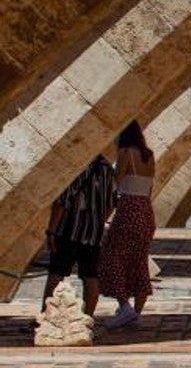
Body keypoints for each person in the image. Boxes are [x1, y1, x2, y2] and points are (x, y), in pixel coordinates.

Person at [98, 121, 158, 330]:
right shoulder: (148, 155)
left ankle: (124, 307)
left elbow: (116, 182)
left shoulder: (126, 152)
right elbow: (149, 187)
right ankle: (136, 313)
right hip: (146, 210)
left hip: (129, 208)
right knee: (139, 261)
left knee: (111, 256)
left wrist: (105, 210)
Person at [42, 154, 117, 317]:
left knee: (56, 273)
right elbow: (112, 203)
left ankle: (45, 316)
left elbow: (62, 201)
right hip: (93, 233)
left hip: (69, 229)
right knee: (91, 276)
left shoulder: (77, 165)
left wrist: (51, 231)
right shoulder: (108, 169)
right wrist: (97, 220)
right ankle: (87, 318)